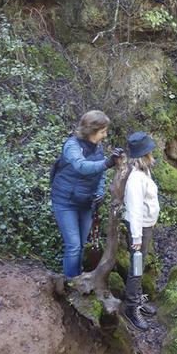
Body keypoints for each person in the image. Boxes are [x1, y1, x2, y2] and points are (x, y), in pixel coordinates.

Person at [51, 110, 123, 278]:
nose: (105, 135)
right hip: (65, 201)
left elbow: (101, 173)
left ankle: (77, 279)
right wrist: (107, 162)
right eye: (103, 131)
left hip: (86, 203)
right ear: (92, 130)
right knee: (74, 245)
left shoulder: (98, 147)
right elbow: (81, 167)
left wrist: (98, 193)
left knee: (82, 244)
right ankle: (70, 282)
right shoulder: (72, 145)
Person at [121, 131, 160, 330]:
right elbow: (134, 209)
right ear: (143, 155)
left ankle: (137, 298)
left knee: (140, 263)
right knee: (136, 266)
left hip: (145, 226)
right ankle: (131, 306)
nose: (153, 154)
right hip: (139, 229)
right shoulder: (135, 178)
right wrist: (136, 236)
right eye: (150, 151)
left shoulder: (144, 170)